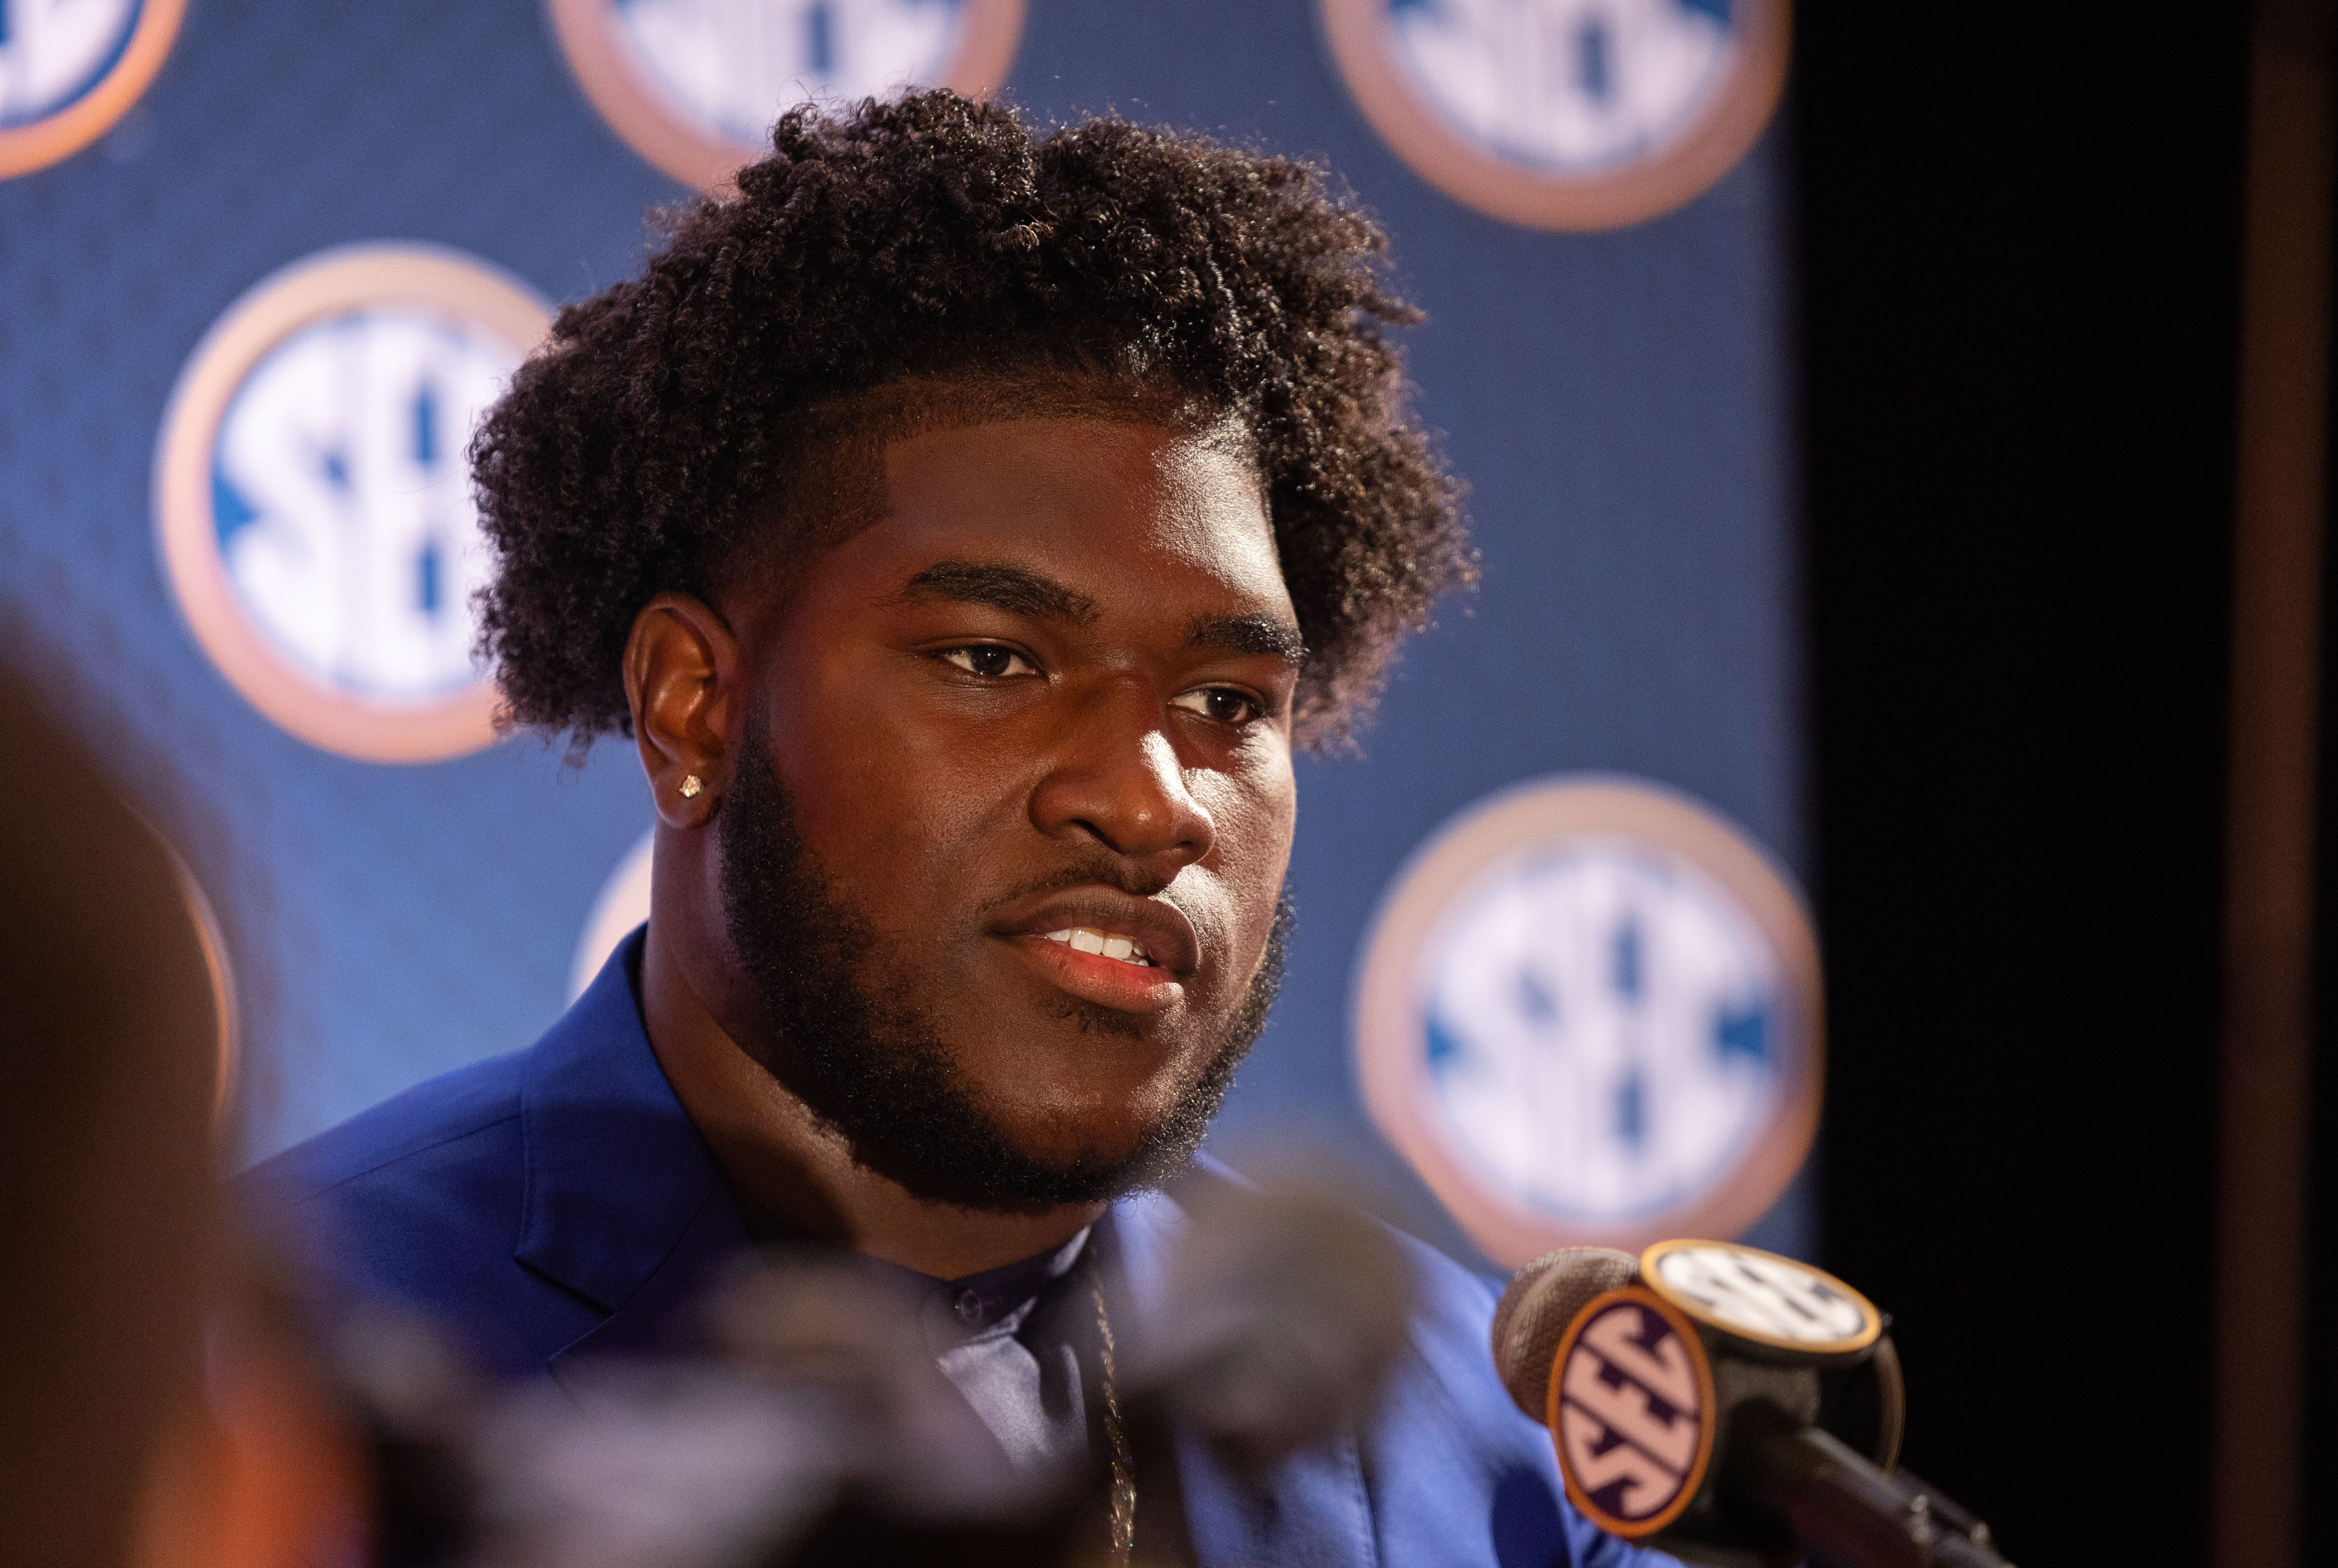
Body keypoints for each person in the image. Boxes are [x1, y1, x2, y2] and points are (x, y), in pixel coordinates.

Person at [249, 92, 1667, 1567]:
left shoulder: (1495, 1446)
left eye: (1231, 702)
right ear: (693, 710)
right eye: (996, 661)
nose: (1148, 799)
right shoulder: (270, 1356)